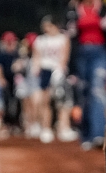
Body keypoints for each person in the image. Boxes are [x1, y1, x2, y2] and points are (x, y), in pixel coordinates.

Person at [65, 0, 106, 150]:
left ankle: (98, 134)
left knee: (96, 91)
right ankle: (85, 135)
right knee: (83, 93)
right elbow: (70, 37)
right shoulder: (75, 10)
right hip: (81, 54)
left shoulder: (105, 9)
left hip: (100, 53)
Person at [31, 15, 75, 143]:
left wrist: (60, 70)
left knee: (63, 102)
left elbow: (65, 55)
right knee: (46, 100)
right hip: (45, 70)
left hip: (59, 71)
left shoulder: (63, 39)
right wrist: (36, 68)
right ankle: (46, 128)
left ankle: (63, 128)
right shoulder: (40, 40)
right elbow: (37, 57)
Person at [0, 31, 20, 132]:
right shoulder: (0, 53)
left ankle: (15, 123)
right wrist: (1, 79)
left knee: (17, 103)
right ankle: (5, 124)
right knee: (4, 103)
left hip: (15, 83)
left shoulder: (17, 53)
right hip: (5, 81)